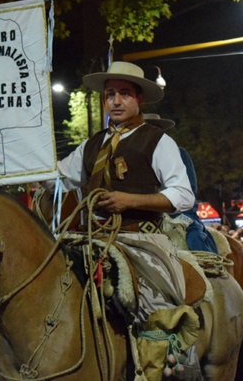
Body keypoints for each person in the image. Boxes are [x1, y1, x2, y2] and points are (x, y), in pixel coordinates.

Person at [50, 61, 197, 376]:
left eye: (124, 94)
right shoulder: (92, 144)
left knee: (158, 307)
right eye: (110, 94)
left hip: (141, 239)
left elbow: (184, 195)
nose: (116, 101)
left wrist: (131, 200)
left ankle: (167, 367)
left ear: (139, 99)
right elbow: (57, 178)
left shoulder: (158, 141)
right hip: (91, 237)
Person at [143, 113, 217, 254]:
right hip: (140, 213)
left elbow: (189, 189)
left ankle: (210, 269)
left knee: (194, 238)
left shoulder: (178, 153)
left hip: (176, 212)